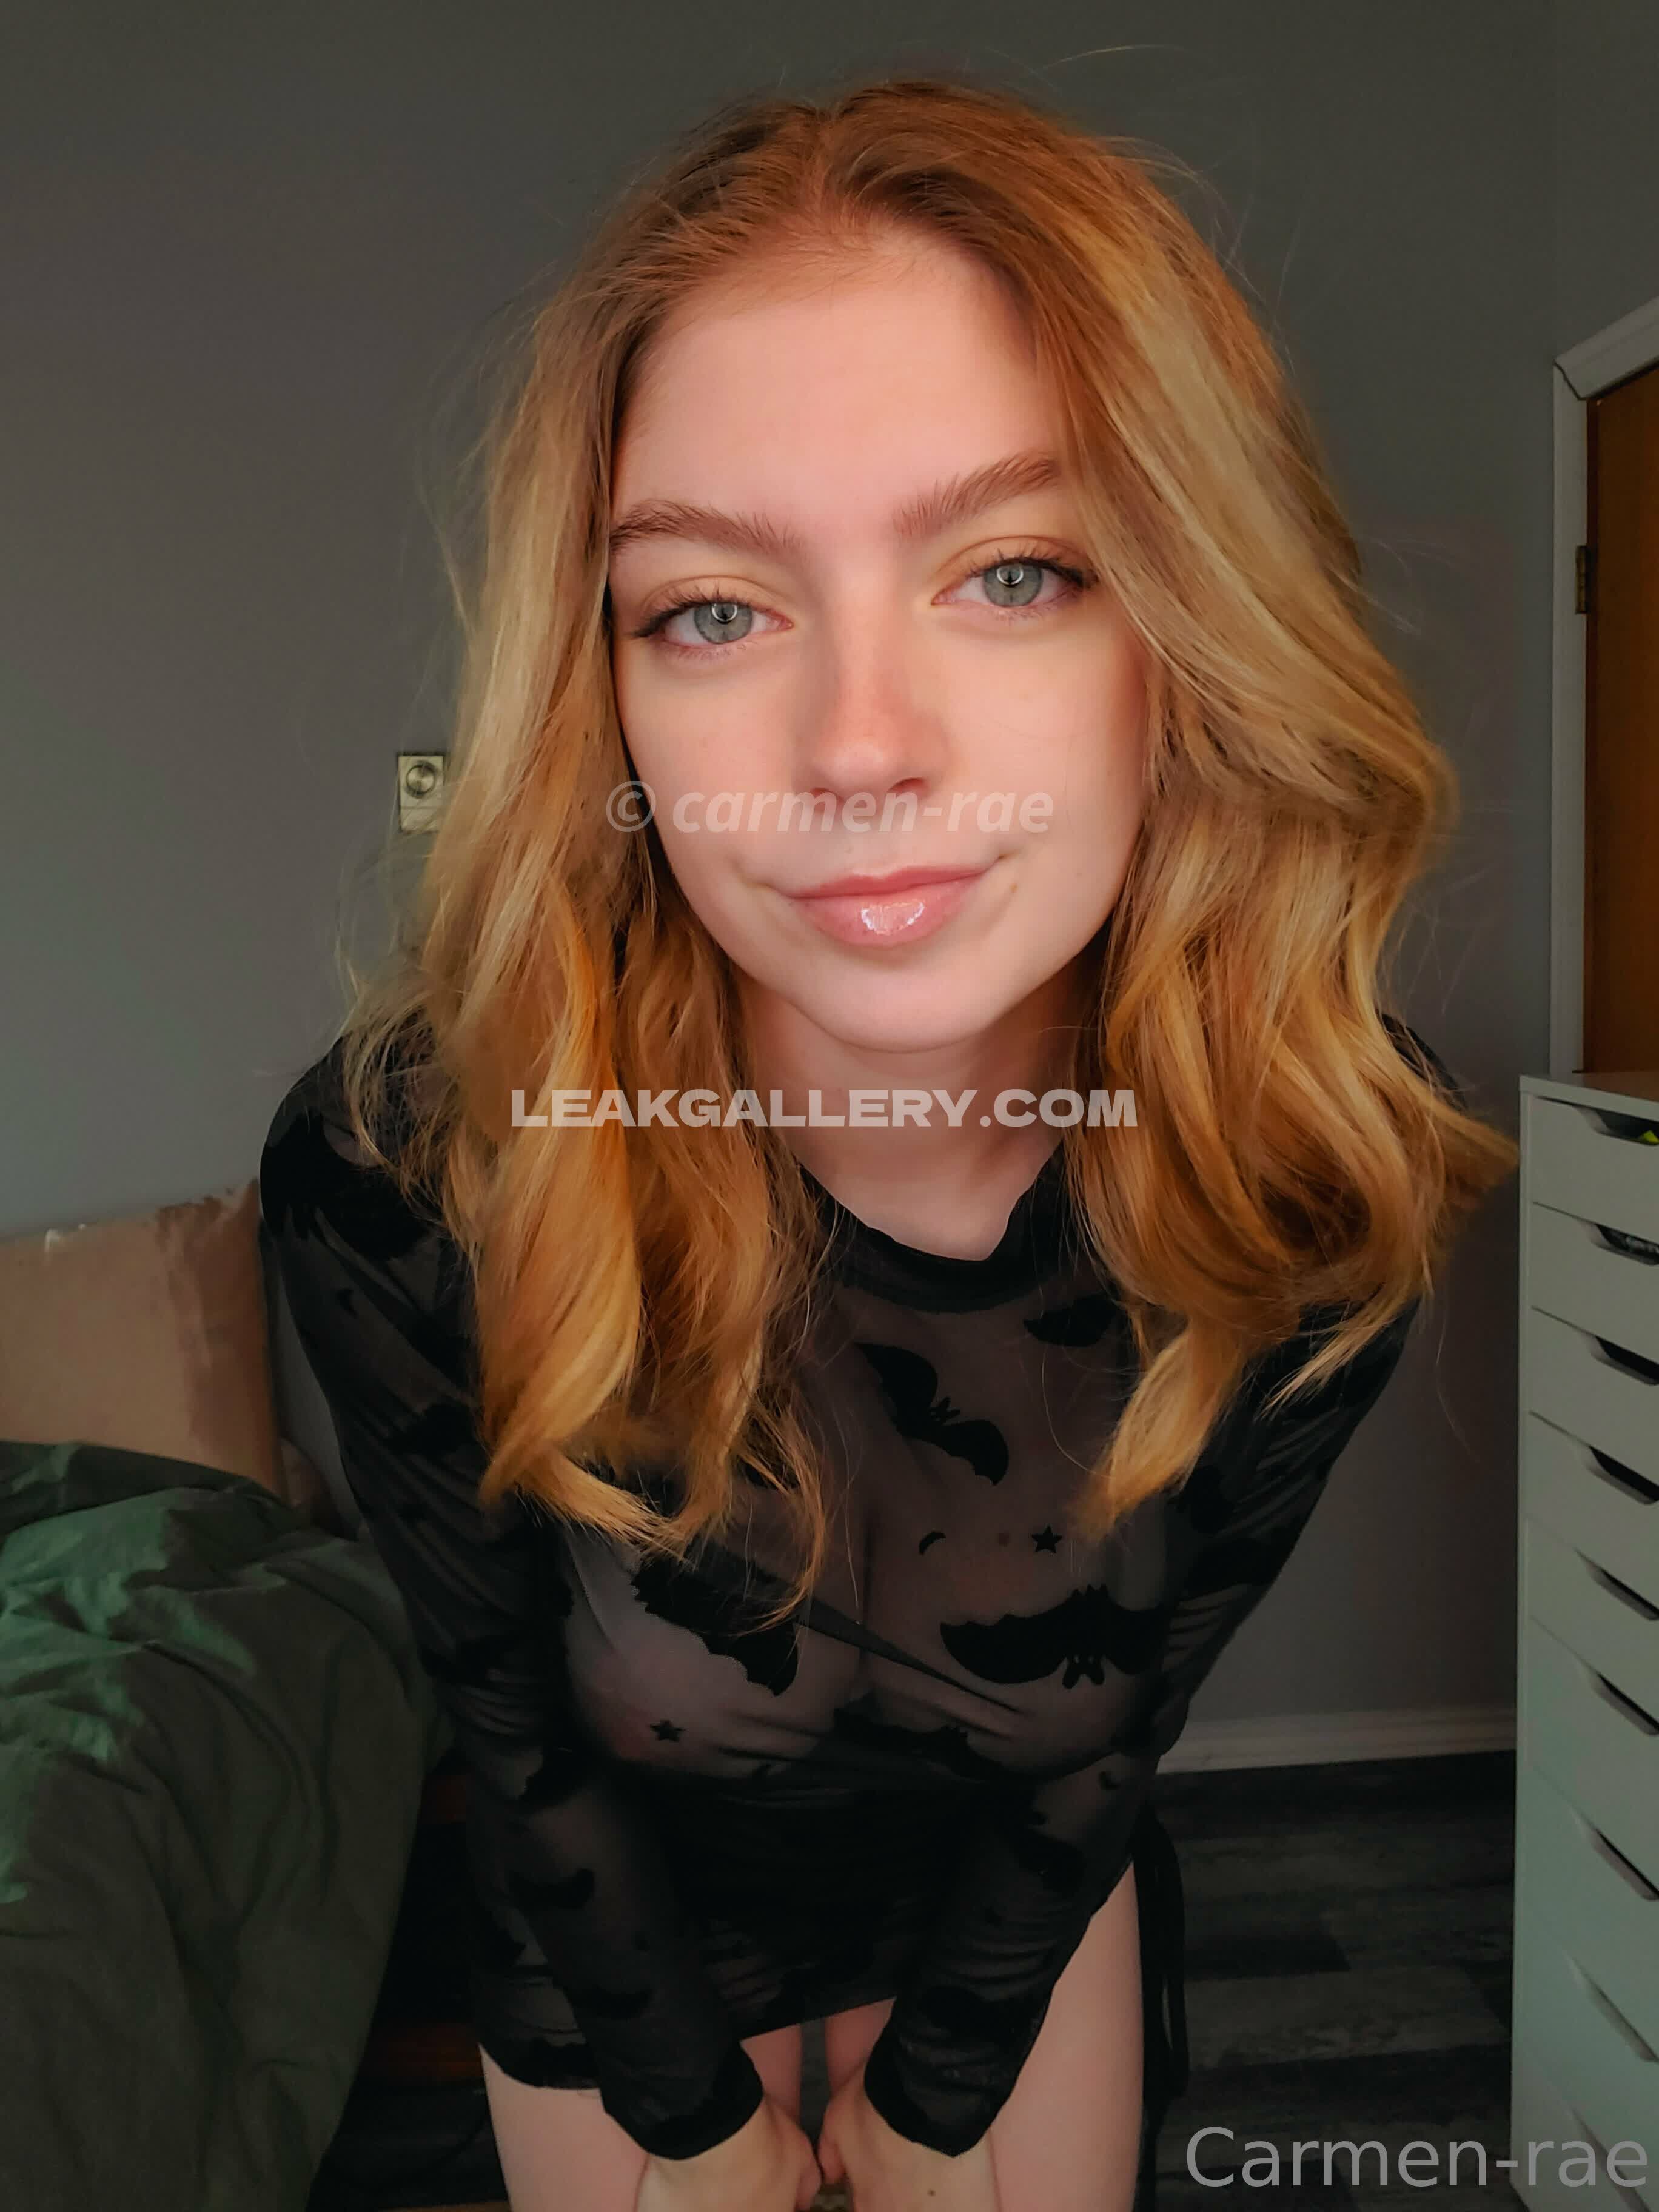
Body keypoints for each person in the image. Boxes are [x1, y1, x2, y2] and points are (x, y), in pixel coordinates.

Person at [258, 74, 1517, 2212]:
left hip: (1007, 1940)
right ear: (603, 692)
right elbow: (514, 1739)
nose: (855, 749)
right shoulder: (416, 1166)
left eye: (1016, 571)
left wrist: (938, 2100)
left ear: (1193, 638)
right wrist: (696, 2128)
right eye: (711, 609)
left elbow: (1116, 1734)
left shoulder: (1305, 1159)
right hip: (627, 1961)